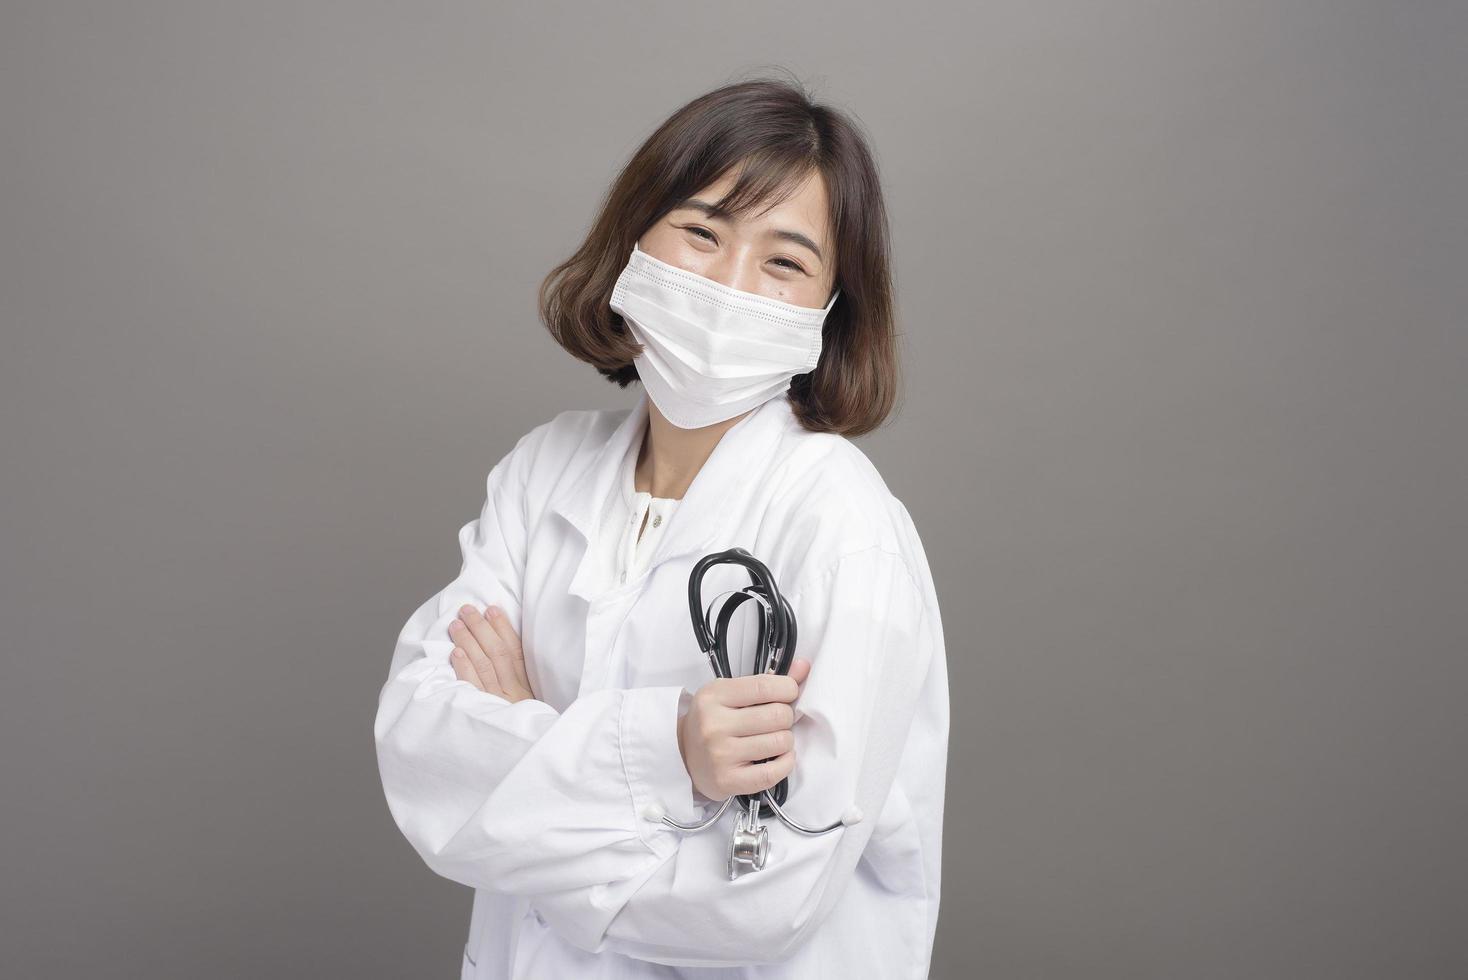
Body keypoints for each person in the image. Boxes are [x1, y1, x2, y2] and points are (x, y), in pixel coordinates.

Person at [374, 75, 950, 979]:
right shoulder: (543, 472)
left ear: (831, 311)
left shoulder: (842, 526)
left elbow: (762, 901)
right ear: (634, 239)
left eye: (785, 262)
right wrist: (671, 751)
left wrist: (530, 761)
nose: (730, 285)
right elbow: (420, 752)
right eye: (703, 232)